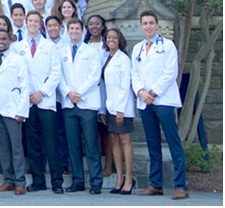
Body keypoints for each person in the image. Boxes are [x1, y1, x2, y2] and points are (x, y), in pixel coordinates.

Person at [132, 11, 188, 199]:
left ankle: (181, 185)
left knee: (173, 142)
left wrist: (153, 92)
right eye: (145, 23)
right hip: (145, 101)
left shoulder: (168, 45)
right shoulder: (138, 48)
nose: (148, 26)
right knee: (152, 143)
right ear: (141, 26)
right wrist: (141, 92)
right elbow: (134, 74)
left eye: (151, 23)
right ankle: (155, 184)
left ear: (157, 25)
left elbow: (170, 72)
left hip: (163, 100)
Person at [14, 11, 64, 194]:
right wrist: (28, 94)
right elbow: (17, 74)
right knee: (33, 143)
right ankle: (38, 180)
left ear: (40, 24)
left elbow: (56, 73)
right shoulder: (18, 47)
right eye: (30, 21)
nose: (33, 24)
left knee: (50, 142)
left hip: (45, 100)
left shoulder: (50, 47)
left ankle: (57, 181)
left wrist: (41, 92)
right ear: (26, 23)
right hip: (28, 101)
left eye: (36, 21)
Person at [58, 18, 103, 194]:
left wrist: (79, 93)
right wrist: (69, 93)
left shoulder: (91, 51)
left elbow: (95, 76)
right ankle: (78, 181)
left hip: (87, 103)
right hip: (69, 104)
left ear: (82, 31)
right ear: (67, 31)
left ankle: (96, 182)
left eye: (77, 28)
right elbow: (58, 75)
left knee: (91, 145)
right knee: (73, 145)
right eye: (72, 29)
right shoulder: (61, 51)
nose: (74, 31)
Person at [0, 30, 29, 195]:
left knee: (16, 147)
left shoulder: (17, 60)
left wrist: (22, 110)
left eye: (4, 39)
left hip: (13, 110)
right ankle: (8, 180)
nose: (1, 42)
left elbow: (24, 86)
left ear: (10, 41)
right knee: (3, 148)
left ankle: (20, 182)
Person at [100, 28, 136, 195]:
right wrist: (104, 109)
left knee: (125, 141)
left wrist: (120, 110)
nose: (111, 40)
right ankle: (119, 179)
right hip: (110, 106)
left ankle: (129, 179)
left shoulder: (124, 59)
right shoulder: (108, 57)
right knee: (114, 140)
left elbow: (125, 85)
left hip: (122, 107)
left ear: (119, 40)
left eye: (114, 38)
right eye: (109, 38)